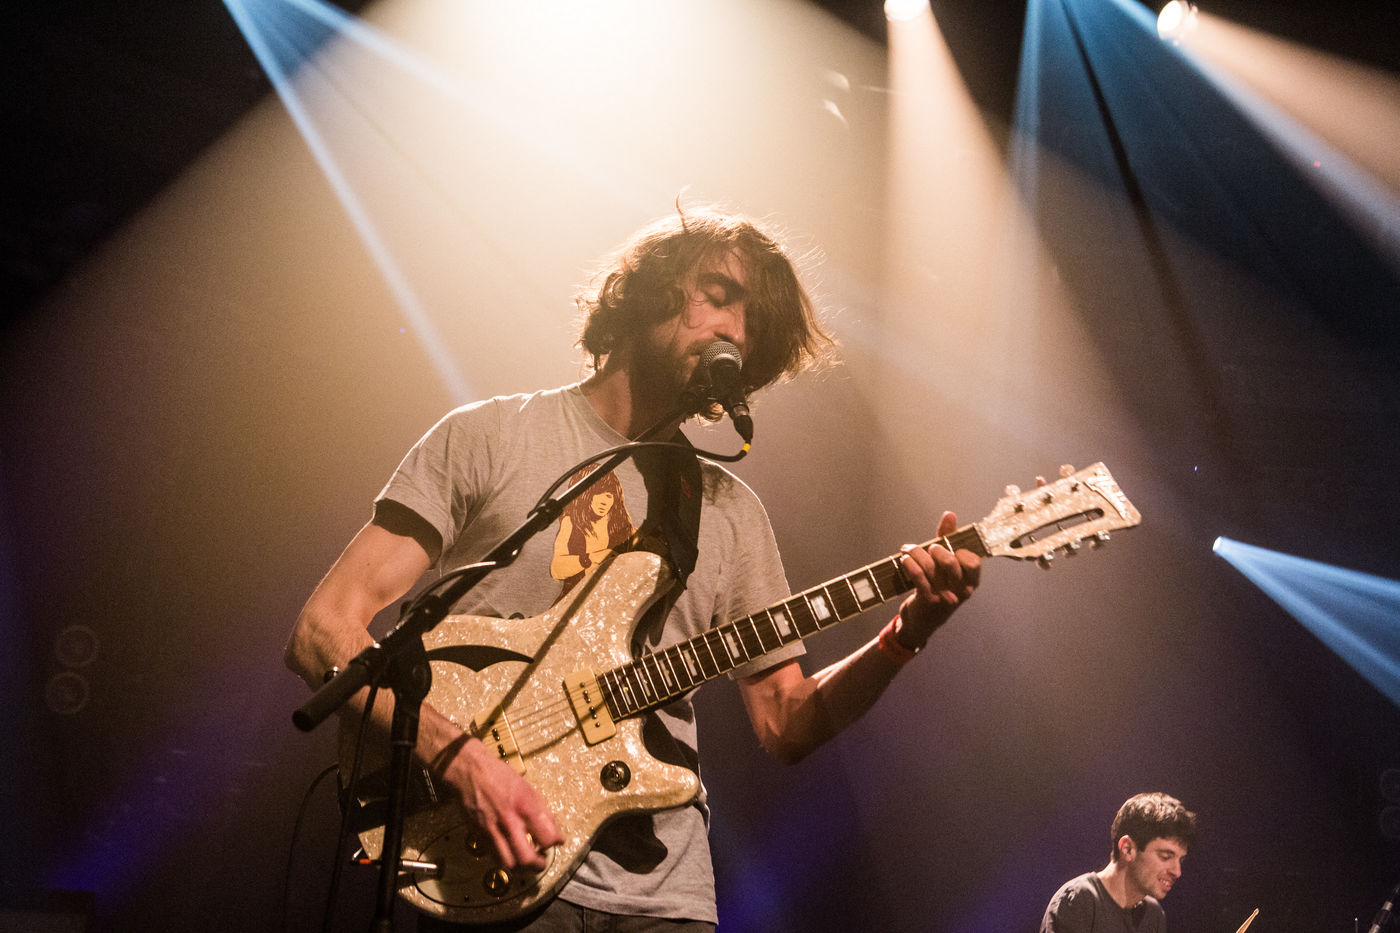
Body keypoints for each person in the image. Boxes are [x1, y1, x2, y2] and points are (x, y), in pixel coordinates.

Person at [284, 206, 983, 931]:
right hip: (488, 869)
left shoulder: (728, 511)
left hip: (663, 899)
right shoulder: (488, 437)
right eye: (720, 295)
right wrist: (460, 758)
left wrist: (904, 634)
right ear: (648, 286)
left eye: (753, 325)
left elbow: (786, 722)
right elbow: (322, 631)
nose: (736, 332)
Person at [1040, 792, 1199, 933]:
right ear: (1128, 849)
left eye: (1180, 860)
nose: (1177, 872)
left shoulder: (1154, 915)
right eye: (1165, 856)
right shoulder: (1079, 900)